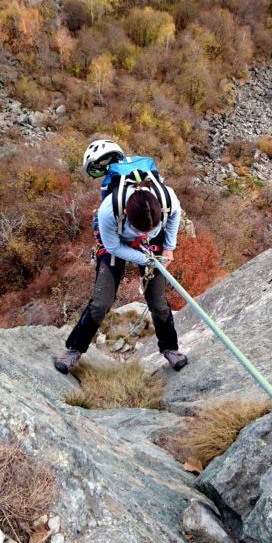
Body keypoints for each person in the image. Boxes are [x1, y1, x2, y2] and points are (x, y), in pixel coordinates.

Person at [55, 141, 188, 374]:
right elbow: (113, 247)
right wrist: (145, 260)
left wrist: (168, 248)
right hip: (116, 241)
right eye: (140, 230)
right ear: (126, 213)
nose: (144, 235)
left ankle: (170, 349)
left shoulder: (168, 199)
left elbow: (175, 215)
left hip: (153, 244)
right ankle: (74, 349)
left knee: (157, 302)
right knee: (101, 303)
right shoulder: (109, 211)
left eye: (151, 228)